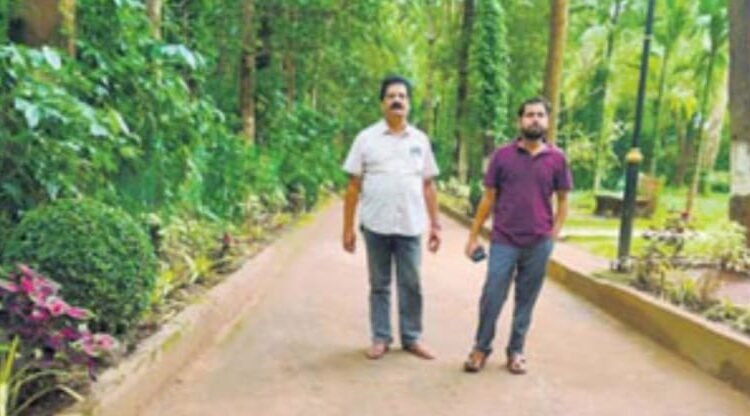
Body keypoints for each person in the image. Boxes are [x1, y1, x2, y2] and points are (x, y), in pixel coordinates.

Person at [463, 97, 572, 374]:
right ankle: (480, 348)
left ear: (547, 121)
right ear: (520, 121)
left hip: (538, 243)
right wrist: (473, 236)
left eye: (540, 115)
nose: (535, 119)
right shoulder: (502, 156)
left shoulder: (557, 159)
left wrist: (553, 236)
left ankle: (516, 351)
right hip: (504, 240)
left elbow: (563, 200)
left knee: (526, 300)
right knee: (492, 296)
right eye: (529, 115)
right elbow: (488, 198)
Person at [342, 75, 441, 360]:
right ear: (382, 103)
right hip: (376, 225)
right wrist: (347, 228)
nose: (397, 100)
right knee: (379, 284)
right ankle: (381, 337)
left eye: (402, 96)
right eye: (391, 96)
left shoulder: (420, 140)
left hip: (410, 225)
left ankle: (412, 338)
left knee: (412, 284)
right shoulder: (366, 139)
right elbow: (353, 186)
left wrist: (436, 225)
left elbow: (428, 185)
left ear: (409, 104)